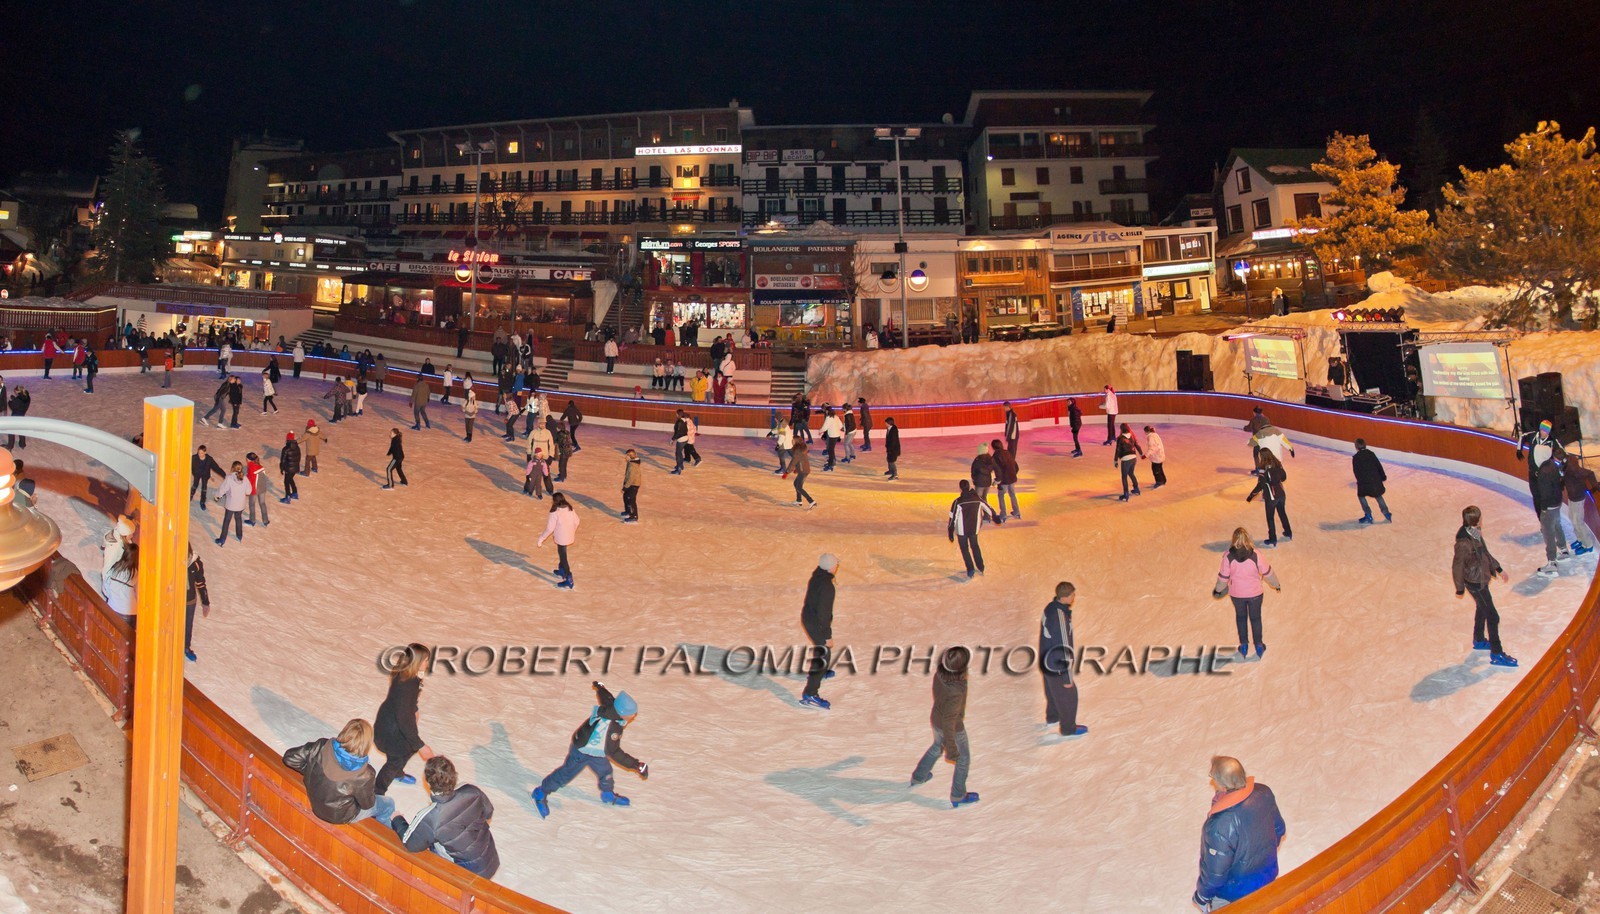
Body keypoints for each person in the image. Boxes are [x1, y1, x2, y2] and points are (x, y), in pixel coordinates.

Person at [531, 682, 649, 816]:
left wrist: (600, 687)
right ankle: (540, 793)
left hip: (596, 751)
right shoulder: (612, 729)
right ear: (621, 713)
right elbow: (615, 752)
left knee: (606, 771)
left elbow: (607, 697)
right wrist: (636, 765)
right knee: (565, 774)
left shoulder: (611, 706)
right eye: (631, 714)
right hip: (582, 751)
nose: (632, 717)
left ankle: (607, 794)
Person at [1193, 756, 1287, 911]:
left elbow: (1215, 873)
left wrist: (1202, 895)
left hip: (1233, 895)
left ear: (1222, 785)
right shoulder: (1264, 792)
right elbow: (1279, 828)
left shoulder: (1219, 824)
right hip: (1267, 876)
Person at [390, 755, 499, 877]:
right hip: (490, 857)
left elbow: (411, 843)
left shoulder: (431, 816)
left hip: (469, 871)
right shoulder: (472, 791)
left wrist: (396, 819)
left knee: (432, 841)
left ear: (427, 782)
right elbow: (488, 813)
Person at [282, 720, 394, 826]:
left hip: (316, 798)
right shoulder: (365, 774)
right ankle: (388, 836)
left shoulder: (321, 746)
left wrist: (311, 772)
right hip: (339, 816)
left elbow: (290, 758)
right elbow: (367, 804)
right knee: (388, 804)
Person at [910, 646, 979, 808]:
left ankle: (918, 777)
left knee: (936, 746)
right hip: (953, 728)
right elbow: (950, 721)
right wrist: (952, 748)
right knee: (963, 759)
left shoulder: (940, 674)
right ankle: (958, 795)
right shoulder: (957, 689)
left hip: (936, 719)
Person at [1453, 505, 1517, 666]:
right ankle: (1496, 654)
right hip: (1475, 583)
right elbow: (1457, 566)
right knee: (1493, 616)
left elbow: (1485, 554)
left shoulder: (1475, 534)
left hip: (1481, 578)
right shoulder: (1463, 543)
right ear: (1477, 520)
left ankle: (1479, 639)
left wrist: (1498, 568)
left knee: (1482, 608)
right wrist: (1460, 588)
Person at [375, 643, 435, 795]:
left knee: (405, 751)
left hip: (388, 719)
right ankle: (377, 792)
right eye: (426, 660)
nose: (428, 663)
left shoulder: (404, 673)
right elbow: (404, 720)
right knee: (397, 759)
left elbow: (402, 702)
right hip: (393, 729)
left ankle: (397, 771)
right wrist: (421, 745)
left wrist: (413, 709)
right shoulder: (409, 684)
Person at [1214, 527, 1281, 658]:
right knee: (1256, 619)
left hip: (1237, 595)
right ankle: (1259, 646)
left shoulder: (1228, 556)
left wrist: (1218, 590)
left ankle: (1244, 645)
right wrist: (1276, 584)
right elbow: (1268, 572)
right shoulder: (1256, 554)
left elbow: (1223, 577)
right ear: (1247, 539)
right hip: (1255, 594)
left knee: (1241, 618)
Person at [1039, 582, 1087, 737]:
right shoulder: (1060, 619)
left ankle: (1053, 717)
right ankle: (1068, 728)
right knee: (1069, 696)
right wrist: (1067, 676)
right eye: (1073, 594)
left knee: (1052, 691)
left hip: (1045, 660)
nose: (1074, 597)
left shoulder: (1050, 607)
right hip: (1056, 664)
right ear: (1066, 597)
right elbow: (1064, 646)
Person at [800, 554, 838, 709]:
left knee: (820, 648)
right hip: (815, 622)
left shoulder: (816, 576)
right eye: (836, 564)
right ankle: (810, 693)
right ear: (831, 567)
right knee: (824, 652)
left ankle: (820, 672)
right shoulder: (827, 586)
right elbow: (824, 614)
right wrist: (827, 635)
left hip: (808, 617)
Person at [948, 479, 996, 580]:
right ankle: (980, 566)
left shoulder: (958, 502)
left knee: (965, 549)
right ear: (969, 486)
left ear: (961, 488)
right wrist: (995, 517)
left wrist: (950, 531)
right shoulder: (977, 498)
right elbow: (988, 508)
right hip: (974, 528)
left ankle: (970, 569)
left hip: (962, 530)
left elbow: (952, 518)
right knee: (975, 546)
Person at [1535, 457, 1573, 575]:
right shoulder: (1553, 466)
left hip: (1549, 507)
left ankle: (1552, 562)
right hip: (1557, 503)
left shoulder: (1543, 473)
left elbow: (1544, 493)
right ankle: (1563, 549)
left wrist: (1544, 509)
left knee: (1548, 534)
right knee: (1557, 525)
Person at [1246, 450, 1291, 546]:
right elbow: (1284, 478)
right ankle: (1288, 532)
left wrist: (1251, 496)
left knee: (1270, 518)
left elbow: (1260, 485)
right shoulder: (1278, 463)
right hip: (1281, 494)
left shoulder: (1262, 468)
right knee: (1282, 513)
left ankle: (1272, 539)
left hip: (1271, 497)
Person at [538, 492, 580, 589]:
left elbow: (549, 529)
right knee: (561, 553)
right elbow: (577, 521)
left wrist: (541, 539)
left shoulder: (555, 512)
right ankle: (561, 570)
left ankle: (569, 578)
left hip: (561, 538)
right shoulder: (569, 508)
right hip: (568, 536)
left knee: (563, 556)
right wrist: (571, 530)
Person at [1562, 456, 1598, 556]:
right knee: (1572, 519)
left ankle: (1588, 545)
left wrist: (1595, 486)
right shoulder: (1565, 468)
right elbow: (1564, 480)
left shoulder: (1574, 469)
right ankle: (1580, 539)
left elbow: (1590, 473)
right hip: (1572, 497)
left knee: (1578, 521)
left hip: (1578, 499)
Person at [1352, 438, 1391, 523]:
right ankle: (1386, 513)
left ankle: (1368, 514)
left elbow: (1356, 471)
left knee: (1361, 496)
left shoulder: (1356, 458)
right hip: (1375, 480)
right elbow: (1378, 465)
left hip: (1364, 483)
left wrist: (1359, 481)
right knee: (1378, 495)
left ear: (1356, 447)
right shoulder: (1371, 454)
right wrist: (1383, 476)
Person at [183, 545, 210, 662]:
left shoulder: (196, 564)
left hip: (189, 601)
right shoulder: (172, 560)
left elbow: (200, 583)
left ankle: (186, 647)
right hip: (173, 599)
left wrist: (205, 602)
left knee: (188, 626)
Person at [102, 541, 139, 625]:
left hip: (114, 608)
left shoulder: (114, 569)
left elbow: (106, 587)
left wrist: (112, 597)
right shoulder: (136, 573)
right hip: (131, 611)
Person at [213, 461, 249, 546]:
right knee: (238, 518)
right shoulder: (245, 478)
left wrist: (217, 496)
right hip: (240, 505)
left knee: (227, 521)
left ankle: (222, 540)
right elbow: (249, 491)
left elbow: (223, 489)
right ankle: (239, 535)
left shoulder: (229, 478)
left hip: (231, 505)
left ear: (232, 468)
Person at [1113, 423, 1144, 501]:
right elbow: (1137, 445)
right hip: (1133, 458)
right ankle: (1136, 488)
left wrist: (1115, 460)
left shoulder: (1120, 438)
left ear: (1121, 429)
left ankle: (1126, 494)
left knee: (1124, 477)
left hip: (1126, 459)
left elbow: (1118, 450)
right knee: (1131, 473)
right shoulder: (1132, 435)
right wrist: (1141, 453)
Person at [993, 437, 1021, 519]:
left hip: (1004, 481)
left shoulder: (995, 457)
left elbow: (998, 471)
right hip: (1012, 479)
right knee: (1012, 494)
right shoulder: (1008, 453)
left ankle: (1003, 514)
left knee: (1001, 496)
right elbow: (1016, 466)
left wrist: (997, 481)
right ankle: (1016, 511)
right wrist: (1013, 475)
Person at [190, 445, 225, 510]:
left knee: (204, 487)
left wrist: (224, 475)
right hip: (197, 474)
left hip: (205, 475)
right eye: (199, 452)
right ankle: (190, 496)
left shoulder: (209, 459)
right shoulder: (194, 458)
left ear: (205, 452)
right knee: (195, 484)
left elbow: (216, 468)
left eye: (201, 453)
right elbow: (188, 465)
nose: (200, 454)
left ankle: (202, 501)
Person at [970, 442, 999, 518]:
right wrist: (997, 479)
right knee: (984, 498)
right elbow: (996, 468)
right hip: (987, 483)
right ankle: (986, 515)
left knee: (978, 500)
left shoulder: (977, 460)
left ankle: (978, 516)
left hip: (979, 483)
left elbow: (973, 471)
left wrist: (974, 479)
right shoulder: (991, 459)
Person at [244, 452, 270, 528]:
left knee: (252, 504)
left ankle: (252, 520)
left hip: (255, 488)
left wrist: (247, 490)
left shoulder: (251, 467)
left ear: (248, 459)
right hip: (262, 487)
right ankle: (265, 520)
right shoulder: (260, 466)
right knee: (262, 503)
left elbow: (250, 480)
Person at [791, 439, 816, 508]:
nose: (792, 441)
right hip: (803, 470)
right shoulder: (801, 449)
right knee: (796, 484)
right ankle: (799, 500)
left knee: (798, 486)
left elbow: (793, 462)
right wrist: (797, 469)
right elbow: (800, 461)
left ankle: (811, 501)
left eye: (793, 440)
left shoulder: (798, 451)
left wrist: (787, 471)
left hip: (803, 471)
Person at [279, 432, 301, 504]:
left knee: (286, 482)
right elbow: (299, 458)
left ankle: (287, 497)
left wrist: (282, 468)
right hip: (295, 468)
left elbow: (283, 460)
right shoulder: (297, 447)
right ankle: (294, 493)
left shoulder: (286, 449)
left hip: (288, 469)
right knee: (290, 479)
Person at [621, 448, 642, 522]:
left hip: (633, 484)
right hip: (631, 484)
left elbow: (631, 478)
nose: (625, 457)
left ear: (630, 456)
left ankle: (634, 516)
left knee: (631, 500)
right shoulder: (631, 462)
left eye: (627, 455)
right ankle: (628, 511)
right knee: (626, 497)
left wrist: (625, 488)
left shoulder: (633, 465)